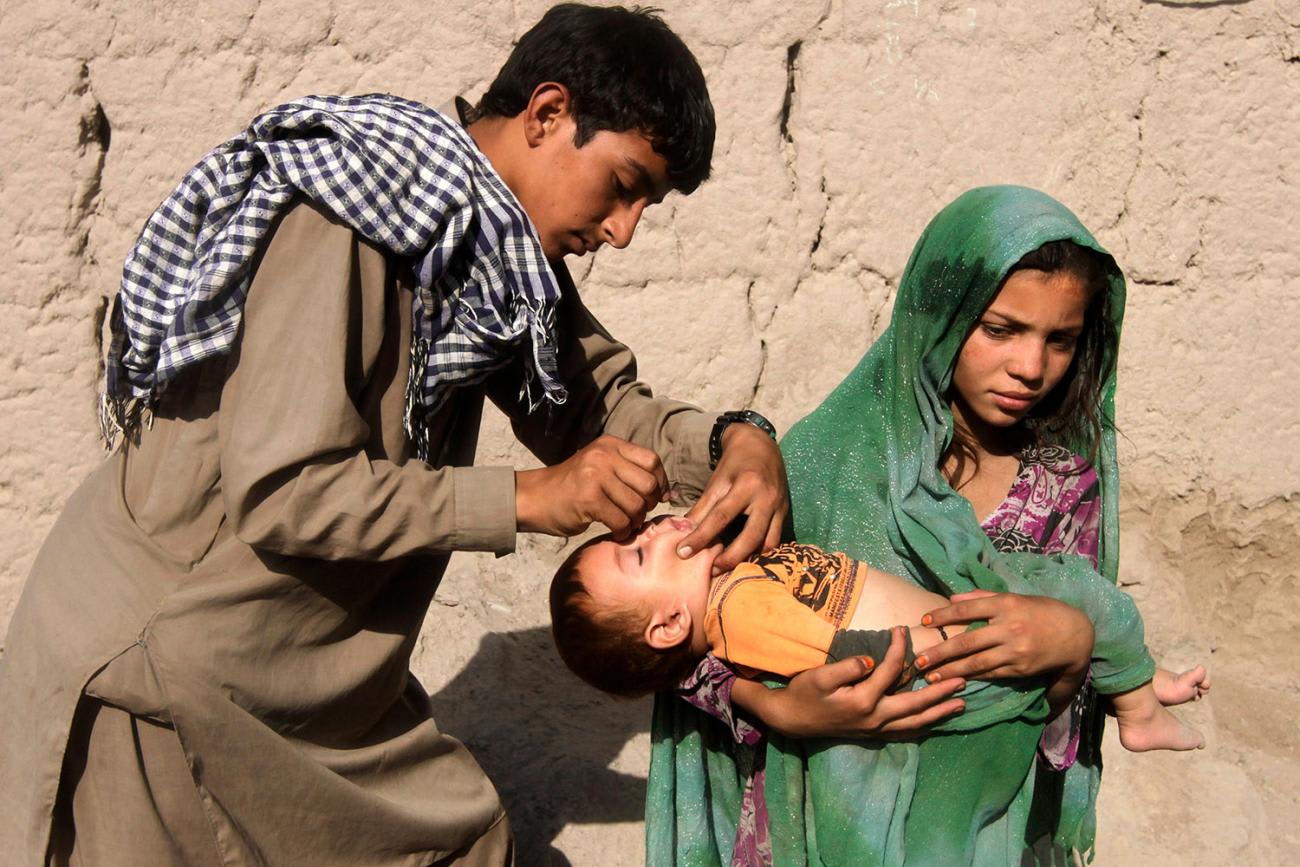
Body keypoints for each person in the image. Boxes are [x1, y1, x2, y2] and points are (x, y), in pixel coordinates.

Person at [0, 6, 808, 865]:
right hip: (163, 675)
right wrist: (530, 498)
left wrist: (740, 439)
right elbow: (287, 488)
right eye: (623, 184)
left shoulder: (496, 256)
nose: (624, 229)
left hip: (299, 681)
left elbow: (597, 404)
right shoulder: (351, 220)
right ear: (546, 114)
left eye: (647, 204)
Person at [645, 186, 1208, 865]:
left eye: (1060, 339)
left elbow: (1055, 713)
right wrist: (774, 706)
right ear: (937, 315)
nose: (1030, 367)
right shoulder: (822, 462)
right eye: (999, 329)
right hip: (812, 828)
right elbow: (673, 629)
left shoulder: (1063, 487)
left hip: (968, 830)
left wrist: (1069, 641)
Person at [549, 519, 1207, 752]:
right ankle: (1140, 705)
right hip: (954, 645)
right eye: (639, 553)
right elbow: (843, 658)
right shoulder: (744, 609)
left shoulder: (730, 595)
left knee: (1077, 605)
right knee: (1087, 592)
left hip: (958, 633)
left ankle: (1140, 688)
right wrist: (942, 654)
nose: (656, 529)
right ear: (668, 624)